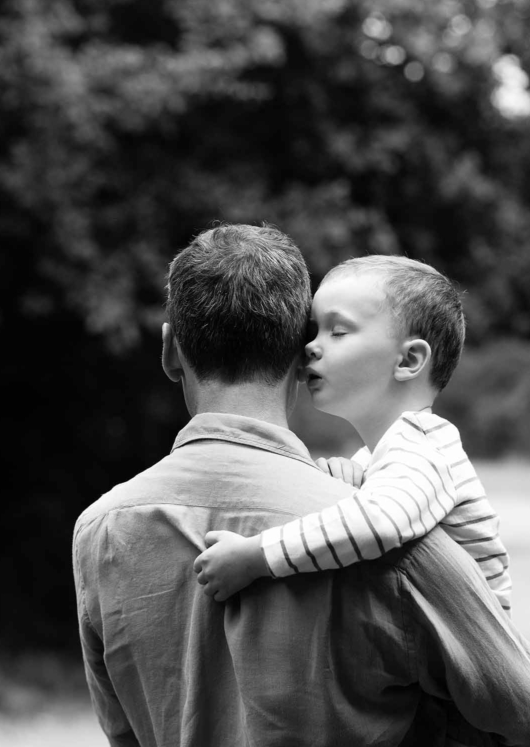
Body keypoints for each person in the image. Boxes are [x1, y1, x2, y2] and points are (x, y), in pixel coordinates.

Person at [72, 224, 530, 747]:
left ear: (171, 350)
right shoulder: (398, 541)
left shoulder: (102, 531)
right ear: (295, 347)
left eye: (337, 332)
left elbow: (123, 733)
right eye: (318, 332)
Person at [193, 255, 512, 613]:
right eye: (313, 330)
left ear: (408, 361)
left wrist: (256, 556)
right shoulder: (383, 455)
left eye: (338, 332)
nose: (311, 346)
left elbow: (378, 524)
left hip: (472, 649)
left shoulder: (422, 446)